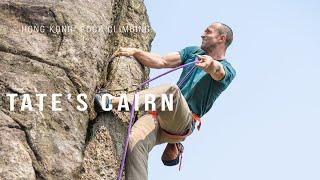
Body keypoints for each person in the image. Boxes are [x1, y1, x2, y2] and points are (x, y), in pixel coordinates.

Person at [94, 22, 236, 180]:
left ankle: (110, 102)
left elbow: (218, 71)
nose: (202, 34)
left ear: (221, 38)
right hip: (159, 115)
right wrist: (135, 52)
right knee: (134, 142)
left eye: (208, 32)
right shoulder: (193, 52)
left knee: (171, 91)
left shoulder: (228, 70)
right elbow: (162, 61)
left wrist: (210, 64)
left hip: (183, 120)